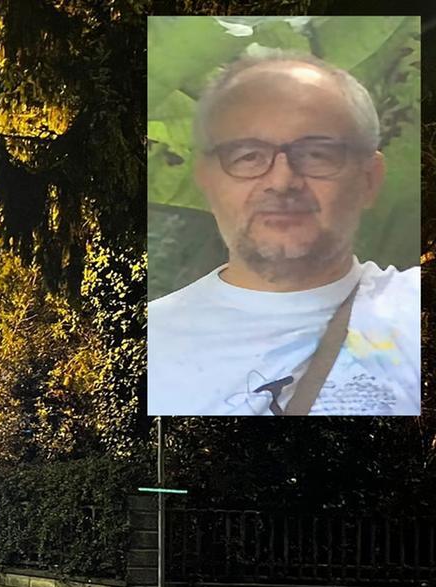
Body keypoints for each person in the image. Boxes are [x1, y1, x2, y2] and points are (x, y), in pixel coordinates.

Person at [148, 50, 420, 416]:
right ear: (206, 180)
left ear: (369, 179)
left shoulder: (413, 312)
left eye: (317, 154)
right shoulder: (146, 344)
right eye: (247, 156)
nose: (282, 181)